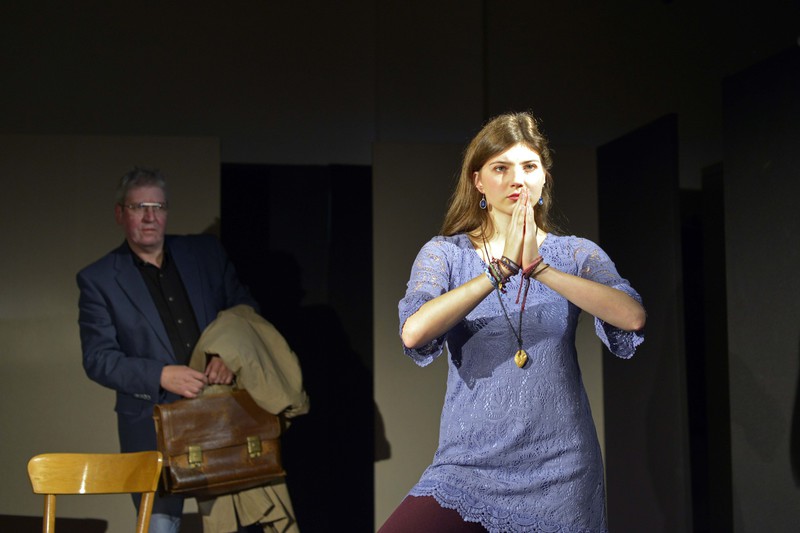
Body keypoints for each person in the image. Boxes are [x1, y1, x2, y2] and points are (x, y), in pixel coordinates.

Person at [380, 112, 646, 533]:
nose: (517, 179)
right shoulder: (445, 254)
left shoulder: (577, 254)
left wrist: (540, 269)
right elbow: (414, 331)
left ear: (544, 178)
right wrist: (500, 268)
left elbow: (631, 316)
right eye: (501, 168)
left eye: (529, 166)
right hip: (469, 463)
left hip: (561, 468)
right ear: (478, 181)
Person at [77, 167, 261, 533]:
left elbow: (245, 310)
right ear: (120, 213)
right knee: (161, 525)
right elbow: (98, 359)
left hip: (219, 411)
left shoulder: (205, 253)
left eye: (157, 207)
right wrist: (160, 375)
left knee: (233, 524)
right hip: (151, 423)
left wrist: (228, 354)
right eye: (139, 207)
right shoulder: (98, 279)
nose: (150, 217)